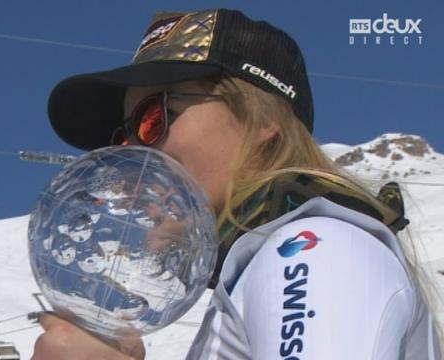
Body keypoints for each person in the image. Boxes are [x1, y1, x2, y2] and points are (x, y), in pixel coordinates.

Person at [32, 8, 442, 359]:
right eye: (123, 138)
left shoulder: (311, 249)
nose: (134, 158)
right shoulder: (263, 265)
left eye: (153, 118)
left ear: (262, 120)